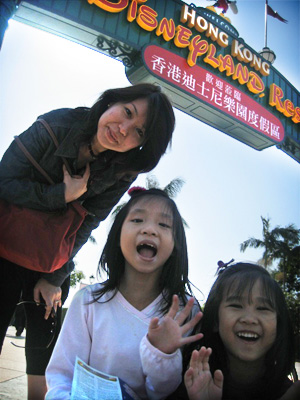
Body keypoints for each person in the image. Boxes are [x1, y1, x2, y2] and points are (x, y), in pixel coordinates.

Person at [0, 83, 175, 399]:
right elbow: (3, 182)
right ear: (111, 101)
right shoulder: (54, 127)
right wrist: (62, 196)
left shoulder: (123, 171)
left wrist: (54, 278)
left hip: (47, 259)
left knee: (43, 341)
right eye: (126, 112)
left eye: (138, 132)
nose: (122, 130)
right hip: (4, 244)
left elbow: (88, 224)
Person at [45, 187, 203, 399]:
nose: (149, 230)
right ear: (118, 234)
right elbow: (62, 377)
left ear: (176, 244)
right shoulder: (87, 302)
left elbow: (165, 393)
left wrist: (163, 354)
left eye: (164, 224)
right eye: (137, 220)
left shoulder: (184, 312)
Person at [176, 262, 299, 400]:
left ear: (279, 324)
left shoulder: (291, 393)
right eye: (236, 305)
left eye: (263, 308)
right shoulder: (192, 385)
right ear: (215, 320)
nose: (249, 319)